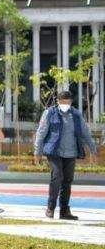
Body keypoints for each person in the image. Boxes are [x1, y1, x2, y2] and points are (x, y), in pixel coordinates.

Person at [35, 90, 99, 220]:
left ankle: (64, 211)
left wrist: (93, 150)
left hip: (71, 152)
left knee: (67, 181)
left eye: (68, 102)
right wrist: (38, 152)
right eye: (63, 102)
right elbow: (41, 133)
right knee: (57, 176)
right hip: (54, 151)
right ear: (58, 101)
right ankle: (50, 207)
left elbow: (85, 132)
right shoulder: (49, 113)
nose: (65, 105)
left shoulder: (76, 114)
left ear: (71, 102)